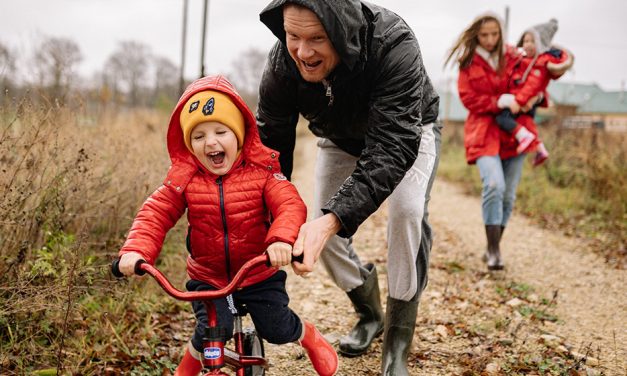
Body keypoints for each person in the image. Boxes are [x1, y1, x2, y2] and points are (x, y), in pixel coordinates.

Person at [256, 1, 440, 374]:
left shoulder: (393, 43)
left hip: (408, 132)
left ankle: (397, 342)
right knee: (320, 227)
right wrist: (269, 222)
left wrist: (332, 220)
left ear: (340, 31)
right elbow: (270, 153)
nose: (303, 52)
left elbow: (391, 147)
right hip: (339, 138)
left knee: (406, 213)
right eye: (293, 36)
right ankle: (370, 314)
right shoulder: (281, 64)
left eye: (317, 39)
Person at [117, 75, 338, 376]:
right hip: (208, 277)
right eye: (198, 136)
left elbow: (290, 204)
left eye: (221, 131)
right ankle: (185, 370)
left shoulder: (262, 173)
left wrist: (280, 240)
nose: (211, 142)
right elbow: (154, 214)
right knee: (212, 331)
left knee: (276, 327)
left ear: (239, 134)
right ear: (188, 144)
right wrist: (135, 251)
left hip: (258, 271)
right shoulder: (184, 179)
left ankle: (307, 335)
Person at [445, 12, 527, 271]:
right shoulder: (468, 62)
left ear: (501, 34)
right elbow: (468, 99)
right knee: (494, 185)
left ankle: (494, 247)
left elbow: (536, 79)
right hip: (483, 132)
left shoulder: (514, 56)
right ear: (476, 35)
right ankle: (493, 250)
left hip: (514, 132)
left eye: (494, 34)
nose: (490, 39)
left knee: (508, 195)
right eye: (484, 35)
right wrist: (498, 101)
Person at [497, 18, 574, 166]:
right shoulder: (523, 60)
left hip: (522, 101)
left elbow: (532, 86)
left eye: (532, 41)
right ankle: (540, 149)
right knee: (526, 123)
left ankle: (524, 137)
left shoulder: (539, 63)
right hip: (523, 99)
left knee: (502, 119)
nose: (527, 45)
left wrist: (519, 102)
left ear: (541, 44)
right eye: (525, 41)